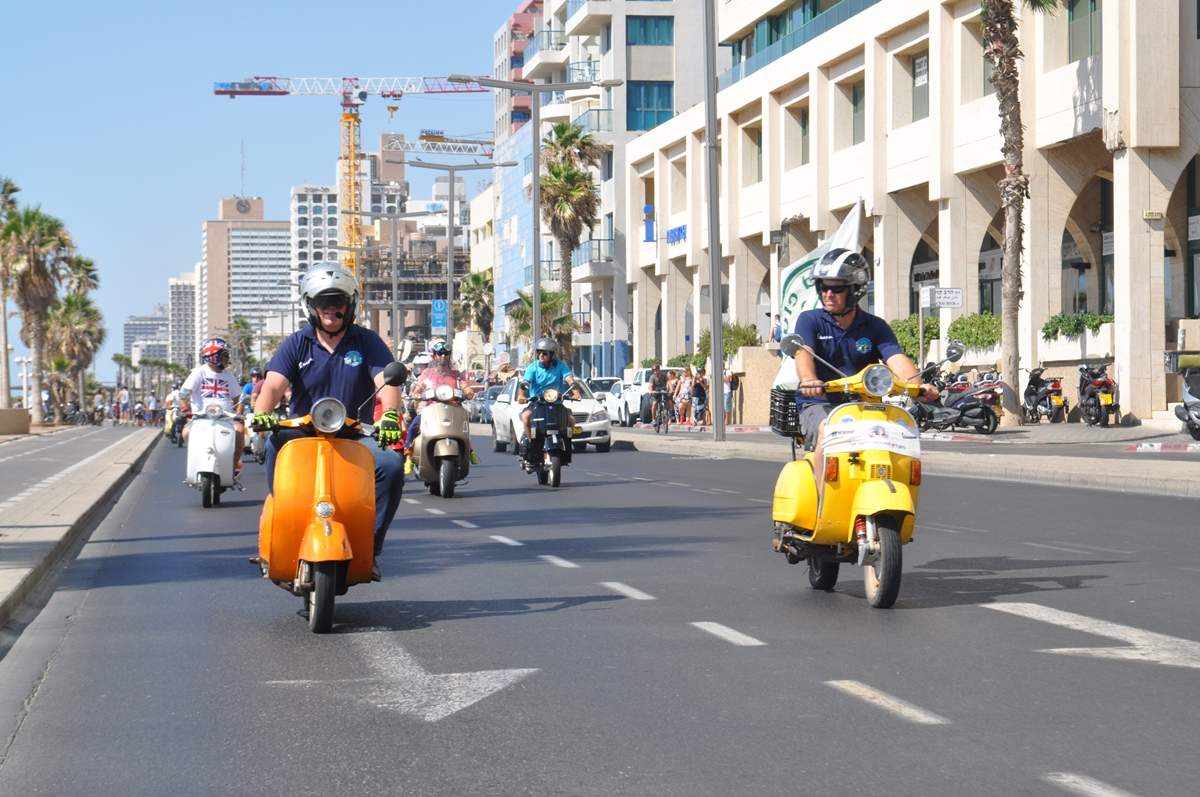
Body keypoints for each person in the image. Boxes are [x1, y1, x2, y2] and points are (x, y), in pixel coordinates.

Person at [251, 266, 403, 581]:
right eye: (323, 303)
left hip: (354, 434)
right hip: (300, 432)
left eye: (339, 302)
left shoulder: (367, 341)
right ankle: (282, 522)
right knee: (272, 447)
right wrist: (262, 414)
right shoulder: (297, 343)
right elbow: (274, 385)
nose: (331, 310)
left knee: (390, 464)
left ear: (351, 305)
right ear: (311, 306)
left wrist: (390, 414)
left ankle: (371, 546)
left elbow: (387, 381)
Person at [793, 247, 938, 500]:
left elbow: (896, 358)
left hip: (866, 406)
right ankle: (822, 501)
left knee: (899, 433)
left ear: (855, 289)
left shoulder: (875, 326)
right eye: (823, 287)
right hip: (819, 403)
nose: (828, 294)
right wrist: (808, 380)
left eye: (837, 288)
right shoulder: (810, 320)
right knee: (829, 429)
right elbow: (803, 352)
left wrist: (918, 386)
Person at [401, 339, 479, 475]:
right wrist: (417, 395)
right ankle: (408, 456)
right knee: (413, 426)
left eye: (446, 353)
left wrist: (469, 392)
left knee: (464, 426)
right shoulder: (427, 373)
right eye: (440, 353)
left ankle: (470, 450)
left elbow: (465, 386)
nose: (443, 356)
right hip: (430, 410)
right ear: (434, 356)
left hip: (453, 409)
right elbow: (418, 389)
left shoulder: (456, 374)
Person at [179, 338, 246, 472]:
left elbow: (238, 398)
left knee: (239, 432)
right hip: (201, 417)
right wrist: (185, 409)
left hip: (226, 418)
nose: (227, 358)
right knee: (186, 433)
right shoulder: (199, 372)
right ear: (213, 356)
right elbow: (184, 394)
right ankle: (197, 460)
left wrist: (238, 414)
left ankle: (232, 466)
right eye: (224, 355)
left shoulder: (229, 375)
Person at [517, 337, 577, 451]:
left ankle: (568, 443)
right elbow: (525, 383)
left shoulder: (560, 365)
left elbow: (569, 379)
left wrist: (576, 392)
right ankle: (530, 443)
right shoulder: (532, 367)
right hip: (536, 403)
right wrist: (521, 395)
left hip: (557, 403)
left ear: (552, 355)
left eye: (544, 353)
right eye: (539, 352)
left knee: (571, 420)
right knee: (525, 418)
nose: (541, 355)